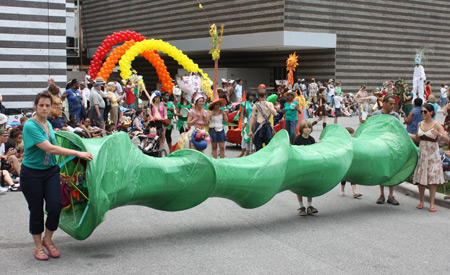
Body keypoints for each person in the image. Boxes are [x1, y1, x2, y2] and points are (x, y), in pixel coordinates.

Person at [21, 91, 92, 261]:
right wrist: (77, 153)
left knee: (55, 206)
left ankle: (48, 239)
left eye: (47, 105)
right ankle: (38, 247)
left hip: (51, 171)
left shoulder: (49, 124)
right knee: (36, 210)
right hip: (32, 174)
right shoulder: (30, 126)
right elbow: (50, 148)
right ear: (35, 107)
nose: (45, 108)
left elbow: (56, 145)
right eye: (41, 105)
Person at [409, 103, 449, 212]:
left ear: (431, 112)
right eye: (422, 111)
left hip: (433, 155)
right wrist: (407, 134)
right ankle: (421, 201)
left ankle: (432, 203)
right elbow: (417, 138)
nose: (423, 113)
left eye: (425, 111)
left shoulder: (436, 124)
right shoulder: (420, 124)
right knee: (421, 178)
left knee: (433, 179)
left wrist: (439, 134)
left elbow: (447, 139)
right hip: (423, 154)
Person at [372, 95, 400, 205]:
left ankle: (391, 195)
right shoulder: (376, 114)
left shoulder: (396, 116)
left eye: (394, 104)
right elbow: (372, 129)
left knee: (391, 171)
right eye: (390, 104)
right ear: (384, 103)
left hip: (391, 147)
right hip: (380, 147)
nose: (392, 106)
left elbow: (398, 131)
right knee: (382, 171)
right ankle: (381, 195)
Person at [293, 120, 319, 216]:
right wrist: (300, 148)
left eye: (309, 127)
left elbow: (313, 151)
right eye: (305, 127)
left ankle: (309, 206)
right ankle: (301, 207)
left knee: (309, 185)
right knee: (300, 187)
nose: (308, 129)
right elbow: (293, 151)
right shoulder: (297, 139)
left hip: (310, 165)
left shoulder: (311, 139)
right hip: (300, 165)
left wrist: (317, 143)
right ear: (301, 129)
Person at [339, 127, 362, 198]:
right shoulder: (344, 141)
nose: (353, 135)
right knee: (344, 177)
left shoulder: (353, 141)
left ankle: (354, 192)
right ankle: (342, 190)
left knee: (352, 176)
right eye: (352, 134)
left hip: (352, 161)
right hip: (346, 161)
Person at [238, 91, 255, 157]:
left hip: (253, 122)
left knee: (252, 138)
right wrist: (243, 122)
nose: (251, 97)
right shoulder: (243, 103)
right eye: (250, 95)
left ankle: (250, 153)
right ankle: (244, 153)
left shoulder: (254, 104)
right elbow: (241, 114)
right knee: (245, 137)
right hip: (246, 122)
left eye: (253, 95)